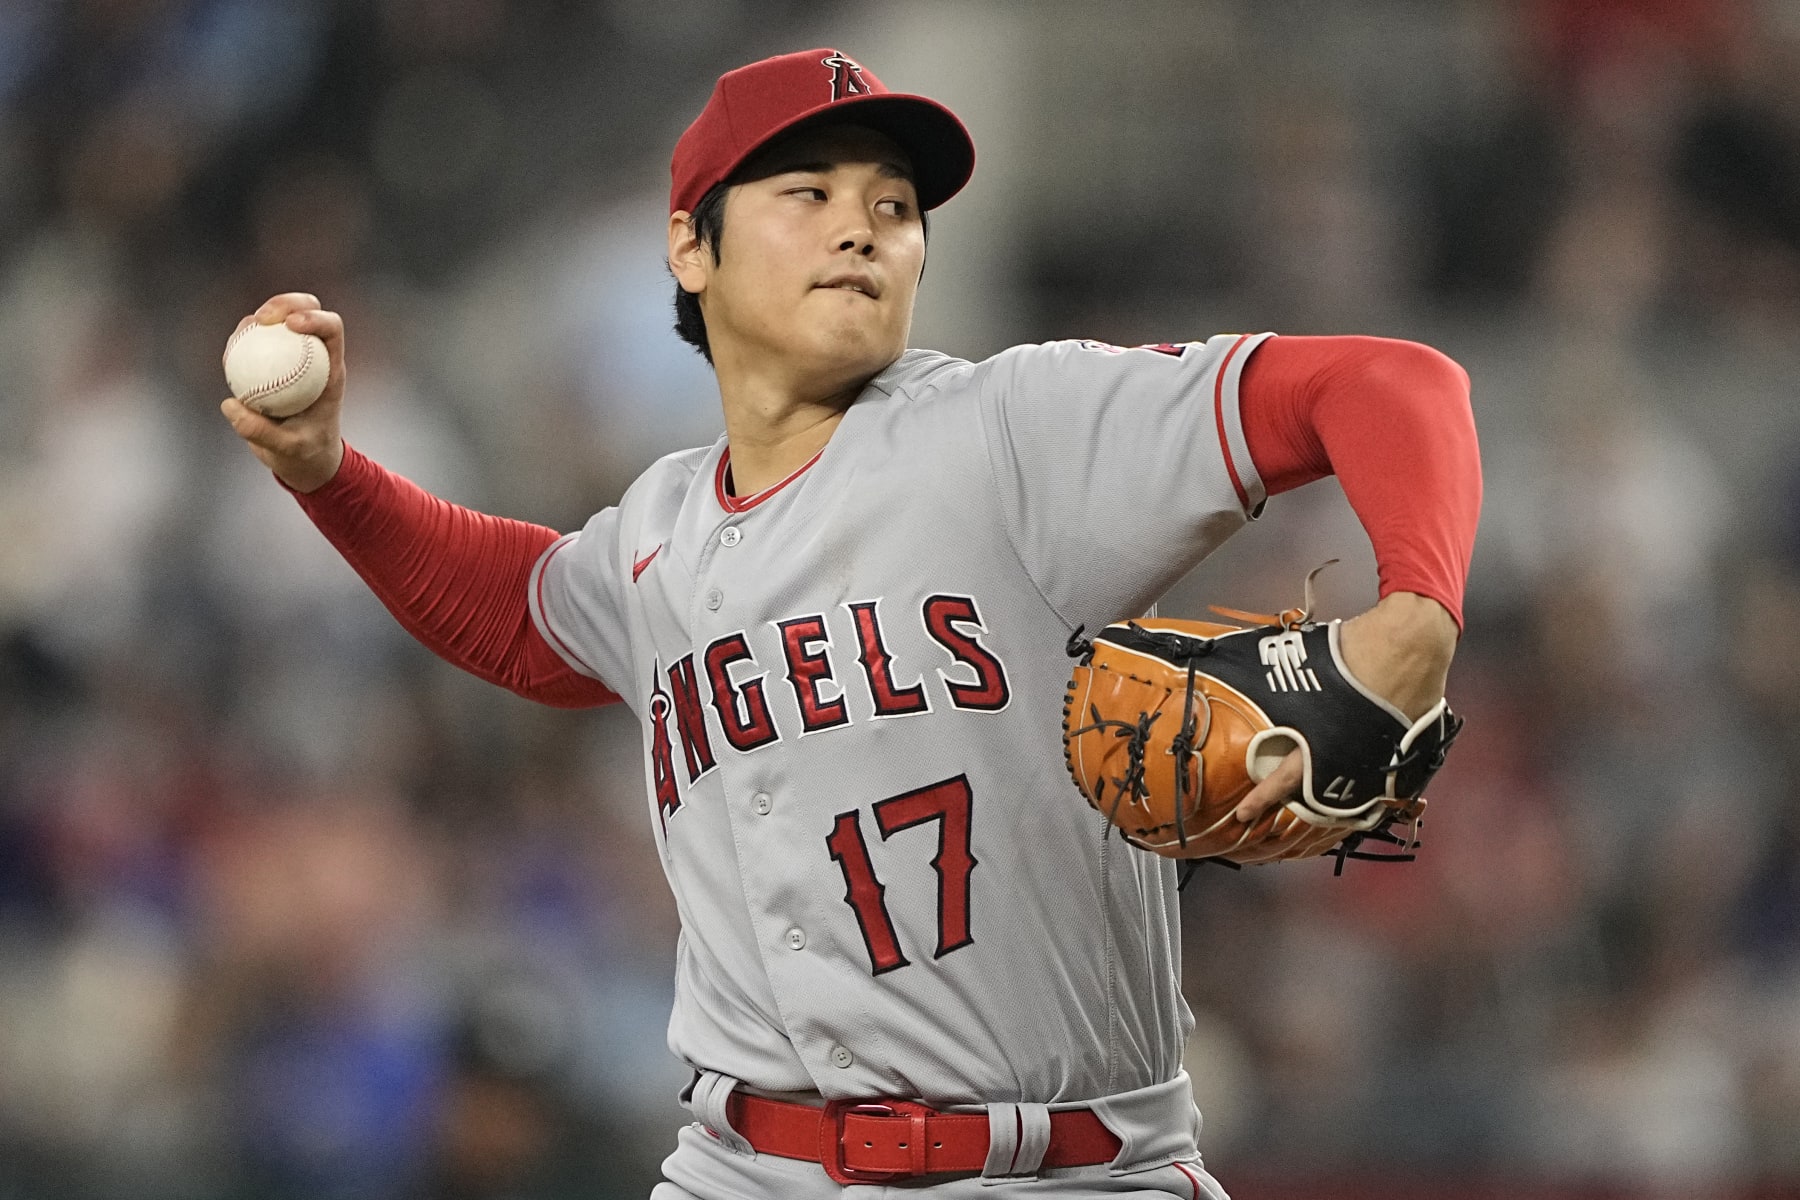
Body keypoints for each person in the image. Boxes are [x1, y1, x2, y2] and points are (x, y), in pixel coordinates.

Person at [220, 48, 1480, 1200]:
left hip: (1061, 1171)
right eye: (807, 195)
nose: (864, 230)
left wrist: (1417, 612)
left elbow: (1390, 385)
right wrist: (331, 476)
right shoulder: (662, 527)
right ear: (690, 248)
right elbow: (524, 613)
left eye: (892, 205)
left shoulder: (1012, 431)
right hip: (739, 1167)